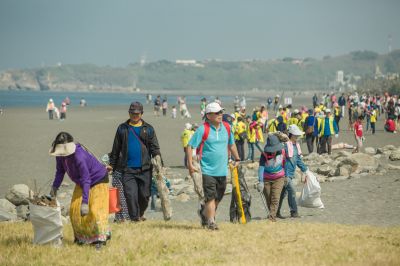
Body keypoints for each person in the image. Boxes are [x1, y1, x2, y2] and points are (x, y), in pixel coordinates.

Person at [49, 132, 110, 249]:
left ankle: (100, 240)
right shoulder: (60, 155)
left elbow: (87, 179)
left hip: (98, 179)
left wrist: (85, 202)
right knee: (74, 210)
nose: (62, 155)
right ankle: (82, 238)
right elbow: (60, 171)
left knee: (95, 210)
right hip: (81, 181)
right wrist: (54, 187)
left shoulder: (79, 156)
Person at [186, 102, 240, 230]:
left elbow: (231, 144)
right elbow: (190, 145)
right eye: (217, 113)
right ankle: (211, 222)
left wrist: (237, 158)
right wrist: (190, 165)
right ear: (208, 115)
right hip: (207, 170)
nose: (220, 115)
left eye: (221, 112)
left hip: (222, 170)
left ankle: (204, 213)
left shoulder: (226, 127)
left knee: (218, 197)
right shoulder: (203, 129)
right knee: (210, 197)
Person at [109, 101, 162, 222]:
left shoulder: (148, 129)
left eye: (137, 114)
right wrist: (112, 164)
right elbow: (116, 148)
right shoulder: (122, 128)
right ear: (129, 113)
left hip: (145, 169)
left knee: (144, 196)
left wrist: (159, 162)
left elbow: (155, 148)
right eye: (132, 113)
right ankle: (134, 219)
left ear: (142, 114)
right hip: (127, 169)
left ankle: (140, 213)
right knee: (130, 195)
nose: (135, 116)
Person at [277, 125, 308, 219]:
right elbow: (282, 160)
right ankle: (294, 212)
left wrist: (305, 169)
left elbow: (298, 159)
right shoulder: (286, 145)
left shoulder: (296, 146)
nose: (298, 137)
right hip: (285, 174)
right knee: (292, 191)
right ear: (292, 135)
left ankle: (275, 212)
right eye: (296, 135)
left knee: (282, 194)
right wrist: (285, 174)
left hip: (290, 174)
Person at [257, 135, 285, 222]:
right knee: (268, 198)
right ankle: (272, 214)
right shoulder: (264, 155)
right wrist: (261, 181)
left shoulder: (283, 152)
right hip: (267, 179)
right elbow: (261, 168)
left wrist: (287, 176)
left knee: (275, 198)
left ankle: (272, 218)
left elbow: (285, 164)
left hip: (279, 178)